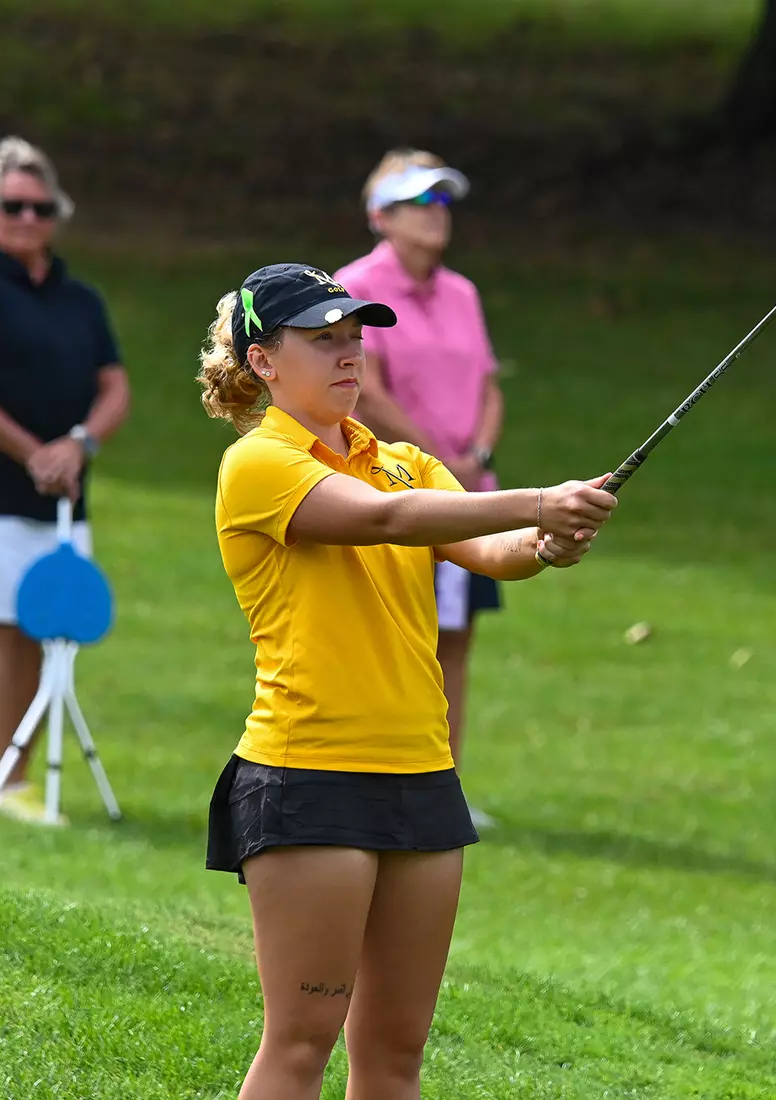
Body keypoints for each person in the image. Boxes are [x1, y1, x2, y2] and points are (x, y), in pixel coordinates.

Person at [197, 261, 617, 1100]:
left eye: (355, 338)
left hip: (421, 773)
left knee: (395, 1053)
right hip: (309, 772)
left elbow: (483, 550)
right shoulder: (260, 463)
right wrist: (539, 501)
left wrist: (544, 545)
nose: (350, 355)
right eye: (324, 341)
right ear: (264, 362)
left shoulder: (402, 460)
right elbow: (384, 522)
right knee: (302, 1043)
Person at [0, 136, 131, 826]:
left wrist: (78, 443)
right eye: (14, 206)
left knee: (50, 623)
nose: (28, 219)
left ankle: (26, 778)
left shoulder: (80, 299)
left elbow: (115, 386)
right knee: (7, 623)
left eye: (41, 208)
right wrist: (33, 451)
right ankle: (9, 781)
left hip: (62, 485)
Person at [333, 148, 505, 827]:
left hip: (468, 489)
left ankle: (444, 783)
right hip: (396, 489)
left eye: (443, 203)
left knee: (454, 638)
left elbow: (488, 384)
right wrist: (437, 459)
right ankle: (379, 775)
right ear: (381, 215)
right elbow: (364, 391)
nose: (437, 217)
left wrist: (478, 453)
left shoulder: (462, 292)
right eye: (419, 203)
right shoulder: (354, 285)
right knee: (397, 635)